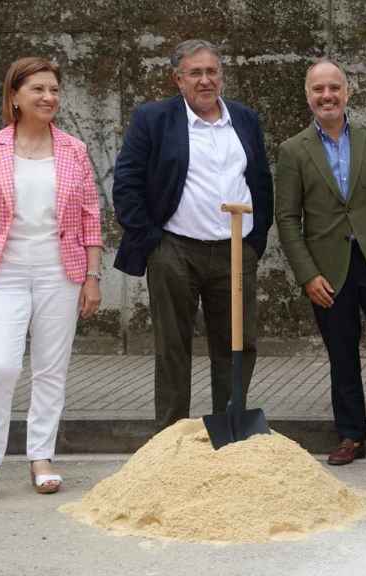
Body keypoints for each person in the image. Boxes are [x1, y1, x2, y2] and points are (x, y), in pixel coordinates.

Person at [112, 39, 273, 431]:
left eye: (212, 71)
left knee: (237, 346)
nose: (206, 80)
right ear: (178, 79)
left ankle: (228, 429)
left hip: (235, 250)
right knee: (172, 347)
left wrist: (254, 242)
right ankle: (170, 437)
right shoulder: (154, 119)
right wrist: (153, 243)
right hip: (175, 250)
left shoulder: (244, 119)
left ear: (222, 75)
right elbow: (127, 184)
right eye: (195, 73)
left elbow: (261, 182)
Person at [275, 59, 366, 468]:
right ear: (308, 96)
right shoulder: (293, 151)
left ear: (347, 92)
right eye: (319, 89)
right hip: (327, 270)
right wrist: (307, 275)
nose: (327, 96)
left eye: (334, 88)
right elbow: (287, 220)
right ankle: (351, 436)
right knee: (341, 352)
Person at [0, 57, 103, 502]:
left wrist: (92, 276)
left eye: (54, 90)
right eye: (38, 90)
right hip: (1, 270)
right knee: (1, 365)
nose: (49, 98)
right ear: (15, 96)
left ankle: (41, 456)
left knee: (51, 368)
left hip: (58, 270)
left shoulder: (74, 149)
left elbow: (90, 217)